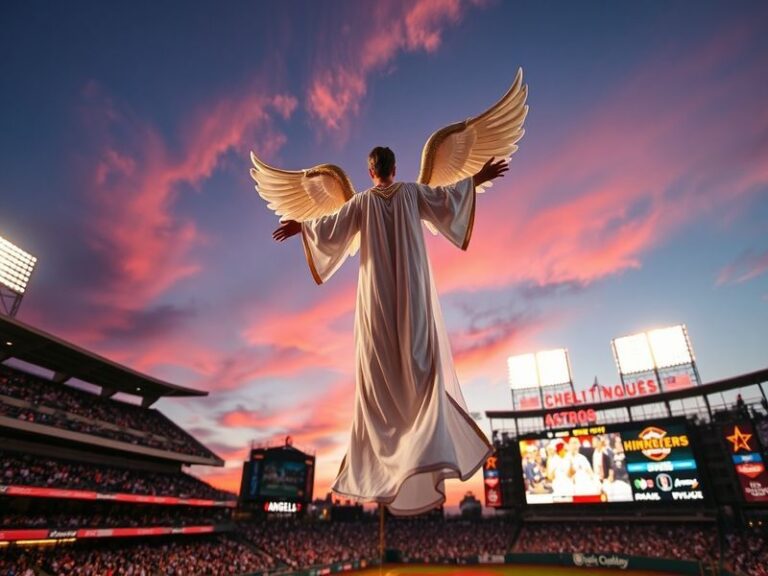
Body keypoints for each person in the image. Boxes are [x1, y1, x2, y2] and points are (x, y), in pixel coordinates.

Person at [273, 147, 508, 515]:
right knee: (421, 369)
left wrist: (300, 227)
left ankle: (389, 459)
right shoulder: (412, 193)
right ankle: (423, 449)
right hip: (412, 294)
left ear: (370, 171)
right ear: (394, 169)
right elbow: (448, 199)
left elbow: (329, 226)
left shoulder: (363, 202)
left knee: (378, 376)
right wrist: (479, 178)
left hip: (377, 300)